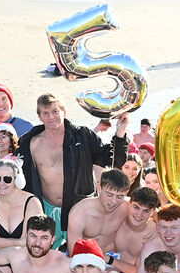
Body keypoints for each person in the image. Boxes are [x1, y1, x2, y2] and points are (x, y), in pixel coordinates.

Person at [16, 94, 128, 249]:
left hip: (79, 206)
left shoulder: (82, 136)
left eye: (55, 111)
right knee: (42, 255)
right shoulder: (30, 142)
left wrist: (120, 133)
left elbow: (112, 160)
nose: (51, 117)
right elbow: (15, 172)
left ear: (64, 112)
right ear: (39, 117)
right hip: (45, 208)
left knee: (81, 256)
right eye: (45, 113)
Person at [66, 168, 131, 255]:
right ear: (99, 187)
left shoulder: (127, 208)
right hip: (85, 256)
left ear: (126, 193)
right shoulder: (79, 213)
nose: (114, 201)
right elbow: (73, 252)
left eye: (119, 197)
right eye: (109, 195)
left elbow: (150, 212)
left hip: (111, 256)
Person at [0, 160, 42, 252]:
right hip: (0, 260)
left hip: (27, 259)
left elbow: (31, 241)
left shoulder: (32, 203)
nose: (1, 183)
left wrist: (2, 243)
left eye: (7, 179)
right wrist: (20, 242)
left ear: (17, 180)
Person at [111, 187, 160, 273]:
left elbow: (140, 272)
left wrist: (110, 260)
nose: (139, 214)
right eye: (136, 207)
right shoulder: (118, 217)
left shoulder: (154, 235)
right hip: (110, 268)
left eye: (146, 211)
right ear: (129, 204)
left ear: (153, 212)